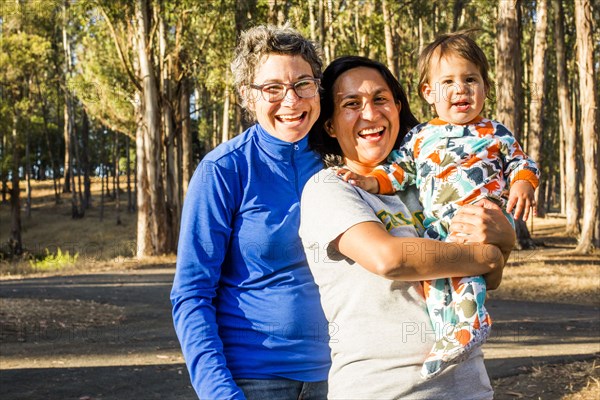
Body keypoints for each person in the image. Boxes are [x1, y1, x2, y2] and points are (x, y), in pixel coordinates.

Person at [300, 55, 516, 398]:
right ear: (329, 124)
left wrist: (503, 240)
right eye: (351, 104)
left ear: (398, 107)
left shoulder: (430, 184)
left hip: (470, 388)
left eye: (380, 99)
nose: (369, 114)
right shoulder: (329, 189)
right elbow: (391, 259)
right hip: (385, 390)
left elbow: (489, 277)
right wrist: (491, 255)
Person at [336, 32, 540, 378]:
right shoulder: (419, 138)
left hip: (476, 216)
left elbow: (521, 163)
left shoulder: (495, 133)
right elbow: (399, 172)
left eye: (470, 79)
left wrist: (522, 184)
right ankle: (449, 335)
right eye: (448, 81)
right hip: (436, 226)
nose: (461, 89)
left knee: (466, 274)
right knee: (435, 281)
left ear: (485, 88)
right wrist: (370, 182)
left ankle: (471, 324)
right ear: (428, 93)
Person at [170, 25, 331, 400]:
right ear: (248, 96)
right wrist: (219, 392)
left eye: (303, 84)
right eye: (272, 88)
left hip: (343, 375)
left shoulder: (343, 160)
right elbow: (191, 294)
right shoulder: (223, 170)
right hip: (254, 381)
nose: (291, 100)